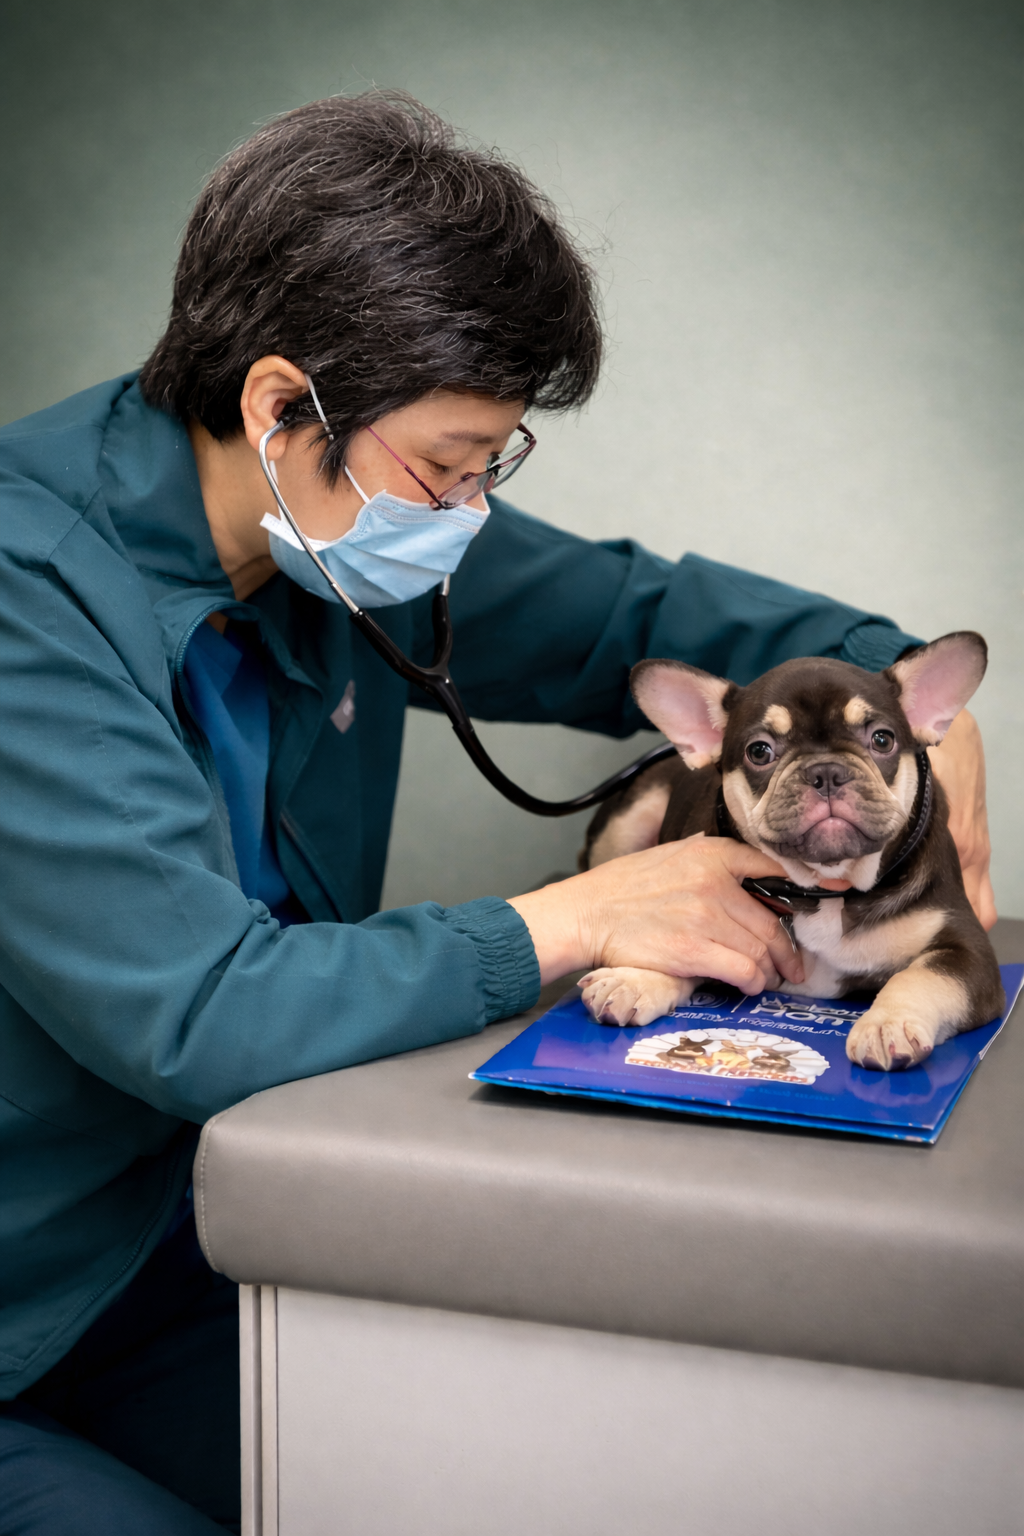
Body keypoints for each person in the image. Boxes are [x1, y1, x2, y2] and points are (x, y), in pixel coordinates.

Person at [0, 93, 994, 1534]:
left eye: (492, 468)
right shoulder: (28, 597)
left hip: (202, 1248)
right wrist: (583, 916)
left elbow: (640, 614)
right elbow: (203, 1011)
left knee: (514, 1477)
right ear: (279, 407)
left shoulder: (339, 532)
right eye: (447, 465)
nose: (465, 518)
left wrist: (908, 691)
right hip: (28, 1314)